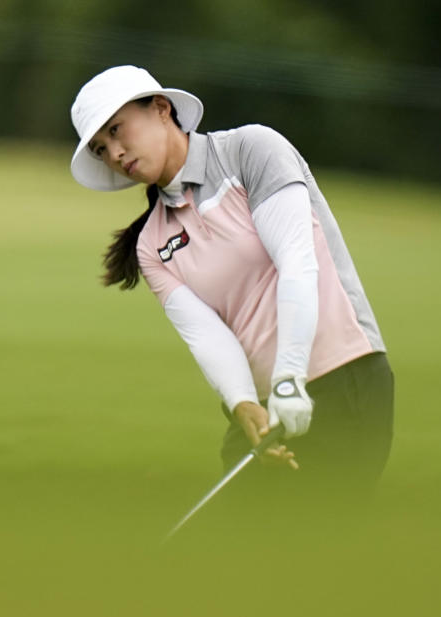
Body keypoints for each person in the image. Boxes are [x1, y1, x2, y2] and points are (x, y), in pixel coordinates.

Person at [69, 65, 393, 504]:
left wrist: (288, 378)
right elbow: (208, 337)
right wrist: (243, 404)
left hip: (345, 381)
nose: (115, 152)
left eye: (117, 129)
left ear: (162, 108)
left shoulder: (251, 151)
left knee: (319, 544)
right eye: (101, 148)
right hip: (264, 409)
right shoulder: (153, 243)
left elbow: (297, 264)